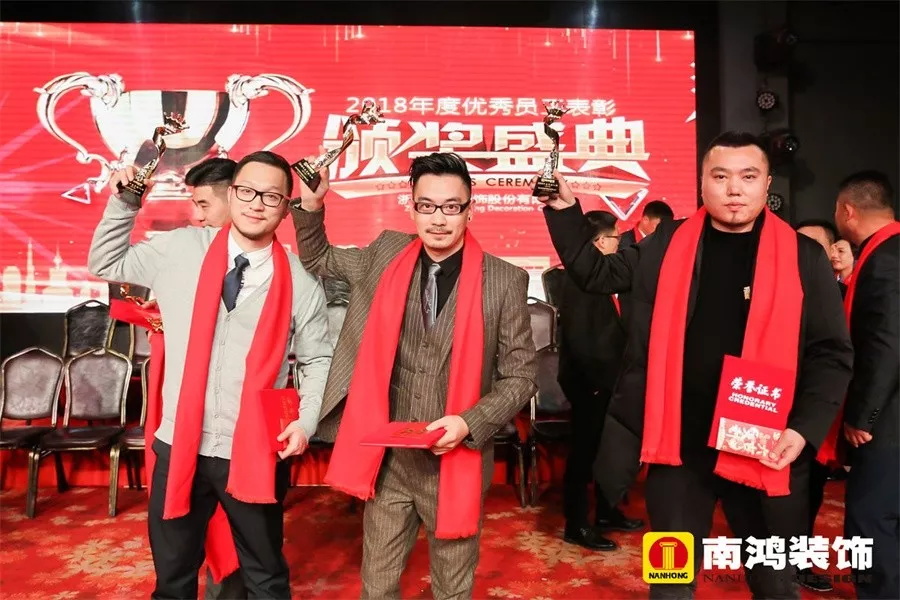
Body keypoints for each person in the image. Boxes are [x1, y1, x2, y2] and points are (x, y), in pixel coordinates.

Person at [538, 131, 853, 599]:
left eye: (748, 177)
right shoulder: (667, 243)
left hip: (767, 444)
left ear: (767, 184)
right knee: (670, 583)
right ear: (702, 182)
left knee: (775, 585)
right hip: (679, 448)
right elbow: (597, 272)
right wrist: (565, 209)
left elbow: (830, 352)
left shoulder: (803, 256)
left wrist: (802, 429)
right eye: (720, 177)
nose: (734, 189)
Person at [290, 151, 537, 599]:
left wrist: (469, 423)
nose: (438, 219)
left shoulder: (504, 280)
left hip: (457, 459)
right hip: (389, 459)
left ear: (470, 209)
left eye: (451, 206)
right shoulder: (385, 253)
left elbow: (520, 376)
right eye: (427, 205)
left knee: (452, 589)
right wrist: (311, 204)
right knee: (377, 586)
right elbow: (319, 258)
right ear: (412, 207)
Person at [88, 150, 333, 598]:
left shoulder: (300, 281)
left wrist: (306, 421)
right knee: (174, 577)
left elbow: (318, 360)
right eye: (247, 192)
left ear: (285, 207)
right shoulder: (179, 250)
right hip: (179, 442)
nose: (257, 204)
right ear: (232, 194)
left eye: (271, 196)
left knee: (265, 576)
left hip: (253, 448)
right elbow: (105, 262)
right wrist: (125, 203)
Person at [139, 157, 251, 600]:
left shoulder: (273, 266)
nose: (197, 216)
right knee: (175, 541)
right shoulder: (181, 252)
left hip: (239, 430)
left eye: (204, 205)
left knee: (246, 542)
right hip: (181, 425)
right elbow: (104, 260)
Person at [831, 170, 899, 599]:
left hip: (889, 422)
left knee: (870, 523)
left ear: (848, 211)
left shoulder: (886, 259)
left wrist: (862, 416)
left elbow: (886, 344)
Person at [558, 210, 642, 552]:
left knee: (609, 452)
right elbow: (580, 339)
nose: (620, 245)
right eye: (616, 239)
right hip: (589, 383)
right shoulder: (580, 281)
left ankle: (607, 512)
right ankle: (577, 524)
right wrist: (595, 383)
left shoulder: (608, 278)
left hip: (612, 382)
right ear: (599, 242)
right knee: (584, 455)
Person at [793, 218, 844, 593]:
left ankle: (797, 562)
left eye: (813, 246)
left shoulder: (842, 294)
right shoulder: (766, 287)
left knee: (808, 491)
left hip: (816, 412)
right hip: (767, 405)